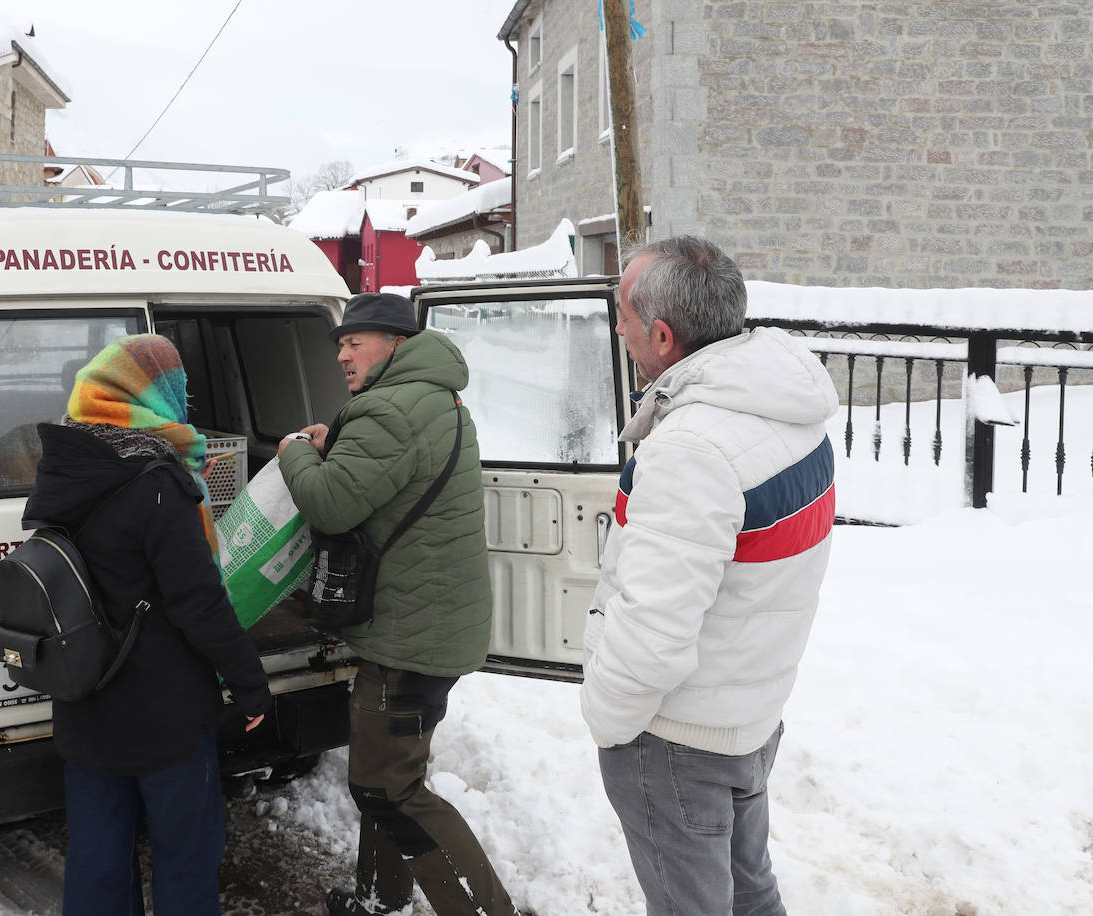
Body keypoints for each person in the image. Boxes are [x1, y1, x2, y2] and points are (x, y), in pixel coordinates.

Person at [580, 236, 839, 915]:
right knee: (751, 893)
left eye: (623, 316)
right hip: (748, 712)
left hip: (678, 741)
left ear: (663, 336)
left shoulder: (694, 448)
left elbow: (653, 629)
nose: (617, 328)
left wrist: (607, 721)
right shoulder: (787, 410)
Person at [278, 292, 520, 916]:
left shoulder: (388, 409)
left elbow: (331, 503)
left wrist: (296, 453)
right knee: (386, 781)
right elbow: (391, 471)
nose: (342, 355)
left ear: (395, 344)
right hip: (429, 625)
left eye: (354, 343)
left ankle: (488, 910)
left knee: (389, 787)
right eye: (340, 344)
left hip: (410, 638)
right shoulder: (435, 399)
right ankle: (381, 899)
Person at [24, 333, 272, 916]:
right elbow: (199, 602)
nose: (184, 399)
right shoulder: (159, 484)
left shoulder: (68, 464)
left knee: (97, 862)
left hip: (86, 702)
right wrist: (248, 679)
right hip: (164, 718)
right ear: (151, 396)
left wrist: (181, 476)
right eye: (178, 389)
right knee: (186, 857)